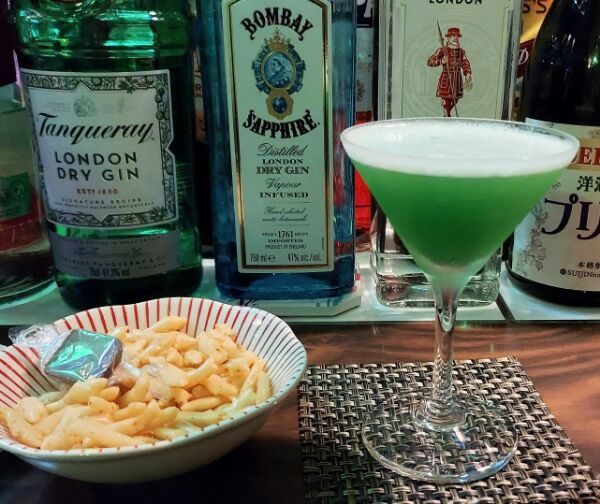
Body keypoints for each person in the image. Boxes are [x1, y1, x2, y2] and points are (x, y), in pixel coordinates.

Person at [427, 27, 473, 117]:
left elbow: (465, 62)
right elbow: (430, 61)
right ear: (448, 37)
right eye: (453, 35)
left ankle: (447, 111)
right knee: (446, 99)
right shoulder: (442, 50)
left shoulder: (461, 52)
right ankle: (446, 113)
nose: (456, 37)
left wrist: (468, 73)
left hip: (457, 80)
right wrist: (441, 61)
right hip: (446, 78)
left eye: (457, 36)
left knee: (455, 99)